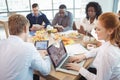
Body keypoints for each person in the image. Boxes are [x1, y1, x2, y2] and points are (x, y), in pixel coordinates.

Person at [65, 12, 120, 80]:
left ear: (110, 31)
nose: (96, 31)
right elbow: (98, 49)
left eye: (99, 29)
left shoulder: (107, 53)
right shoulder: (112, 42)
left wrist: (79, 68)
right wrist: (83, 56)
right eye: (96, 28)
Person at [0, 14, 51, 80]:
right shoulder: (28, 48)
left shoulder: (1, 43)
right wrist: (48, 55)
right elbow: (46, 71)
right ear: (25, 28)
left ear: (9, 30)